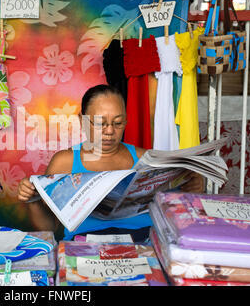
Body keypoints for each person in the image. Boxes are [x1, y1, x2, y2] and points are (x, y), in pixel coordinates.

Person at [17, 84, 204, 242]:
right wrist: (33, 200)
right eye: (100, 123)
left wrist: (192, 190)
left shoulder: (146, 159)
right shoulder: (65, 162)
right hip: (86, 248)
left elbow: (173, 215)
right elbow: (48, 227)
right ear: (82, 120)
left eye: (118, 123)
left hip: (144, 244)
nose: (109, 131)